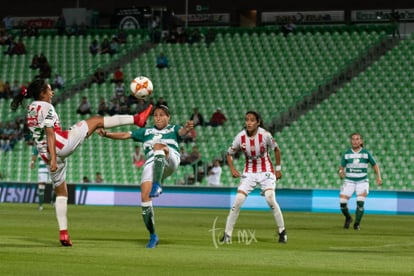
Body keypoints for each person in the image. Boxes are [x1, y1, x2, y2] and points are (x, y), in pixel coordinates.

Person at [10, 77, 153, 247]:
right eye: (49, 89)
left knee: (61, 192)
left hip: (46, 155)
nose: (52, 92)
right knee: (97, 120)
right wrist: (55, 158)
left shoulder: (30, 108)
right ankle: (137, 119)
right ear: (42, 93)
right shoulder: (47, 106)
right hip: (59, 146)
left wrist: (52, 160)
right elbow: (49, 132)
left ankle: (64, 233)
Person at [97, 104, 194, 248]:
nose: (158, 117)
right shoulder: (146, 131)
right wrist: (107, 134)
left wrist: (187, 128)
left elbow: (182, 132)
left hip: (171, 158)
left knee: (158, 146)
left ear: (169, 117)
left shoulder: (173, 129)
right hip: (151, 162)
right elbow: (126, 135)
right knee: (144, 198)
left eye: (162, 115)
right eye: (155, 115)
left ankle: (158, 184)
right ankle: (153, 235)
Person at [221, 111, 287, 244]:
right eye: (247, 120)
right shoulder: (240, 137)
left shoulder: (265, 135)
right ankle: (227, 235)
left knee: (270, 198)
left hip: (266, 171)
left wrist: (278, 169)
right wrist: (233, 169)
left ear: (257, 122)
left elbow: (277, 150)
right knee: (238, 200)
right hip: (249, 172)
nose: (249, 123)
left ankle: (282, 232)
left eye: (252, 120)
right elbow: (229, 154)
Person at [339, 132, 382, 230]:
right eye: (353, 139)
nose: (355, 141)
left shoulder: (366, 153)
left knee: (360, 202)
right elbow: (341, 167)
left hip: (362, 181)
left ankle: (356, 224)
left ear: (361, 141)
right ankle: (348, 218)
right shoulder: (346, 154)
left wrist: (378, 177)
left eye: (357, 139)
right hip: (349, 181)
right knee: (342, 202)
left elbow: (375, 165)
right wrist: (341, 172)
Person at [30, 147, 51, 211]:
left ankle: (54, 202)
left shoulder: (51, 144)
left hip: (51, 168)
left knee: (56, 187)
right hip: (43, 169)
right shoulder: (38, 145)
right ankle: (41, 205)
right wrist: (33, 162)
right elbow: (35, 154)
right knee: (41, 187)